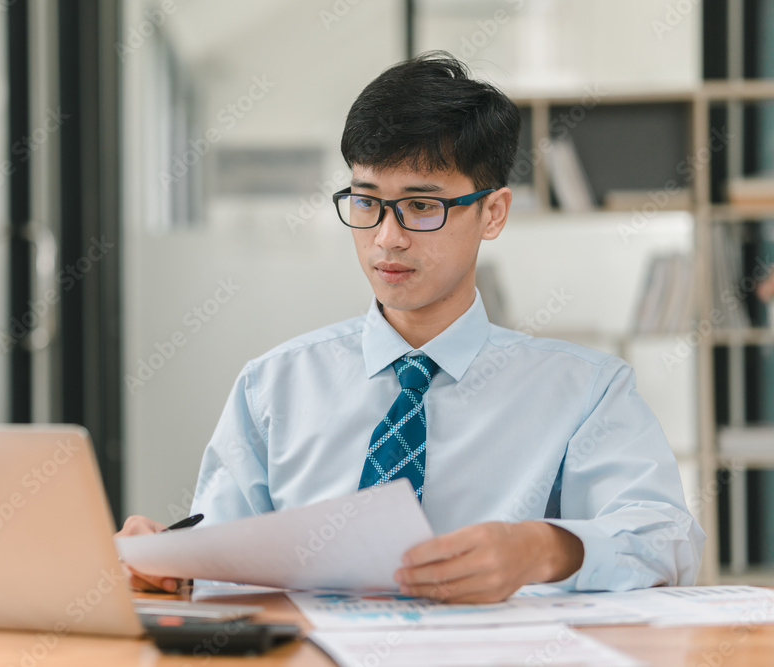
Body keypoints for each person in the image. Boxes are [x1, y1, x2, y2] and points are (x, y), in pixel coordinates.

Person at [118, 51, 705, 603]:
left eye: (422, 206)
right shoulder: (271, 386)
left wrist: (541, 549)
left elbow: (666, 542)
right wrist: (173, 569)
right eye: (367, 201)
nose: (386, 238)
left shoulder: (587, 391)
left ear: (492, 213)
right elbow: (223, 565)